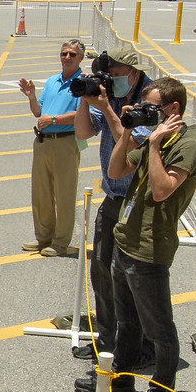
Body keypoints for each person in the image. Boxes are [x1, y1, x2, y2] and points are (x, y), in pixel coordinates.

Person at [98, 77, 196, 392]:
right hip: (127, 239)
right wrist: (127, 130)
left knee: (160, 329)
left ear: (173, 110)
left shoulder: (186, 145)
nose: (144, 112)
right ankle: (121, 378)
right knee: (128, 321)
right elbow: (116, 169)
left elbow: (163, 189)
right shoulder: (158, 137)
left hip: (150, 248)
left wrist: (152, 146)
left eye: (150, 108)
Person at [70, 48, 152, 359]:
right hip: (113, 195)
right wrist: (85, 98)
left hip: (139, 201)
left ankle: (141, 347)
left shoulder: (150, 99)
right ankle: (107, 343)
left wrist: (106, 109)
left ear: (131, 73)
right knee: (101, 271)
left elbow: (130, 145)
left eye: (115, 75)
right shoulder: (108, 95)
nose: (111, 80)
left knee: (133, 278)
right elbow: (82, 131)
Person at [15, 40, 91, 257]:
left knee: (64, 193)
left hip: (65, 141)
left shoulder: (82, 83)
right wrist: (31, 97)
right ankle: (43, 237)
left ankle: (60, 241)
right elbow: (39, 112)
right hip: (43, 142)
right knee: (41, 193)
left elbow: (82, 114)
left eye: (72, 55)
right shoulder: (52, 81)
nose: (67, 57)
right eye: (64, 53)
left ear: (80, 58)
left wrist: (55, 119)